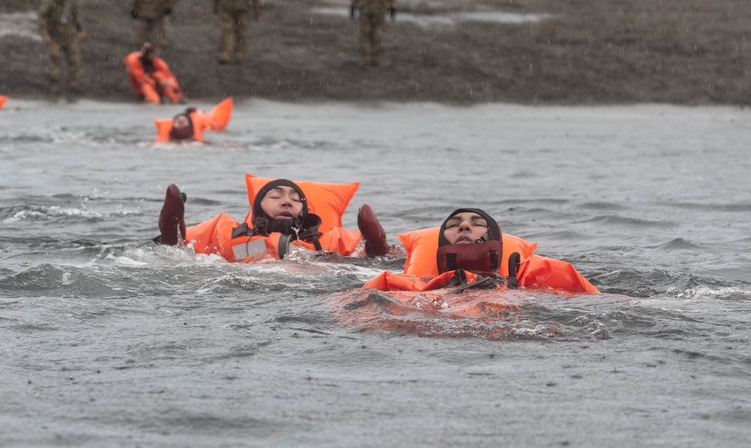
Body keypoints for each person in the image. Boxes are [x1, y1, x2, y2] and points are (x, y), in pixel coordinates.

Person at [361, 207, 599, 296]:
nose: (464, 225)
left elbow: (605, 303)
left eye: (476, 223)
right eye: (453, 225)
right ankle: (378, 250)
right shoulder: (406, 285)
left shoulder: (537, 277)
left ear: (495, 239)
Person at [155, 174, 393, 263]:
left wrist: (376, 244)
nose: (286, 201)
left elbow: (382, 260)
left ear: (304, 210)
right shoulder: (227, 233)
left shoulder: (332, 240)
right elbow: (179, 254)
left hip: (316, 286)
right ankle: (172, 221)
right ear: (258, 206)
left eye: (294, 198)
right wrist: (173, 234)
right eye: (275, 196)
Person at [38, 0, 84, 98]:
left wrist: (80, 29)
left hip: (70, 35)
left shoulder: (71, 0)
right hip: (54, 36)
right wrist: (45, 33)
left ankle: (73, 83)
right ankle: (55, 84)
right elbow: (42, 17)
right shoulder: (49, 0)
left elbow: (75, 16)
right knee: (55, 59)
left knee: (74, 59)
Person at [154, 98, 232, 143]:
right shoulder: (163, 143)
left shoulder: (197, 142)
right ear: (173, 126)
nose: (180, 121)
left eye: (183, 122)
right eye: (178, 121)